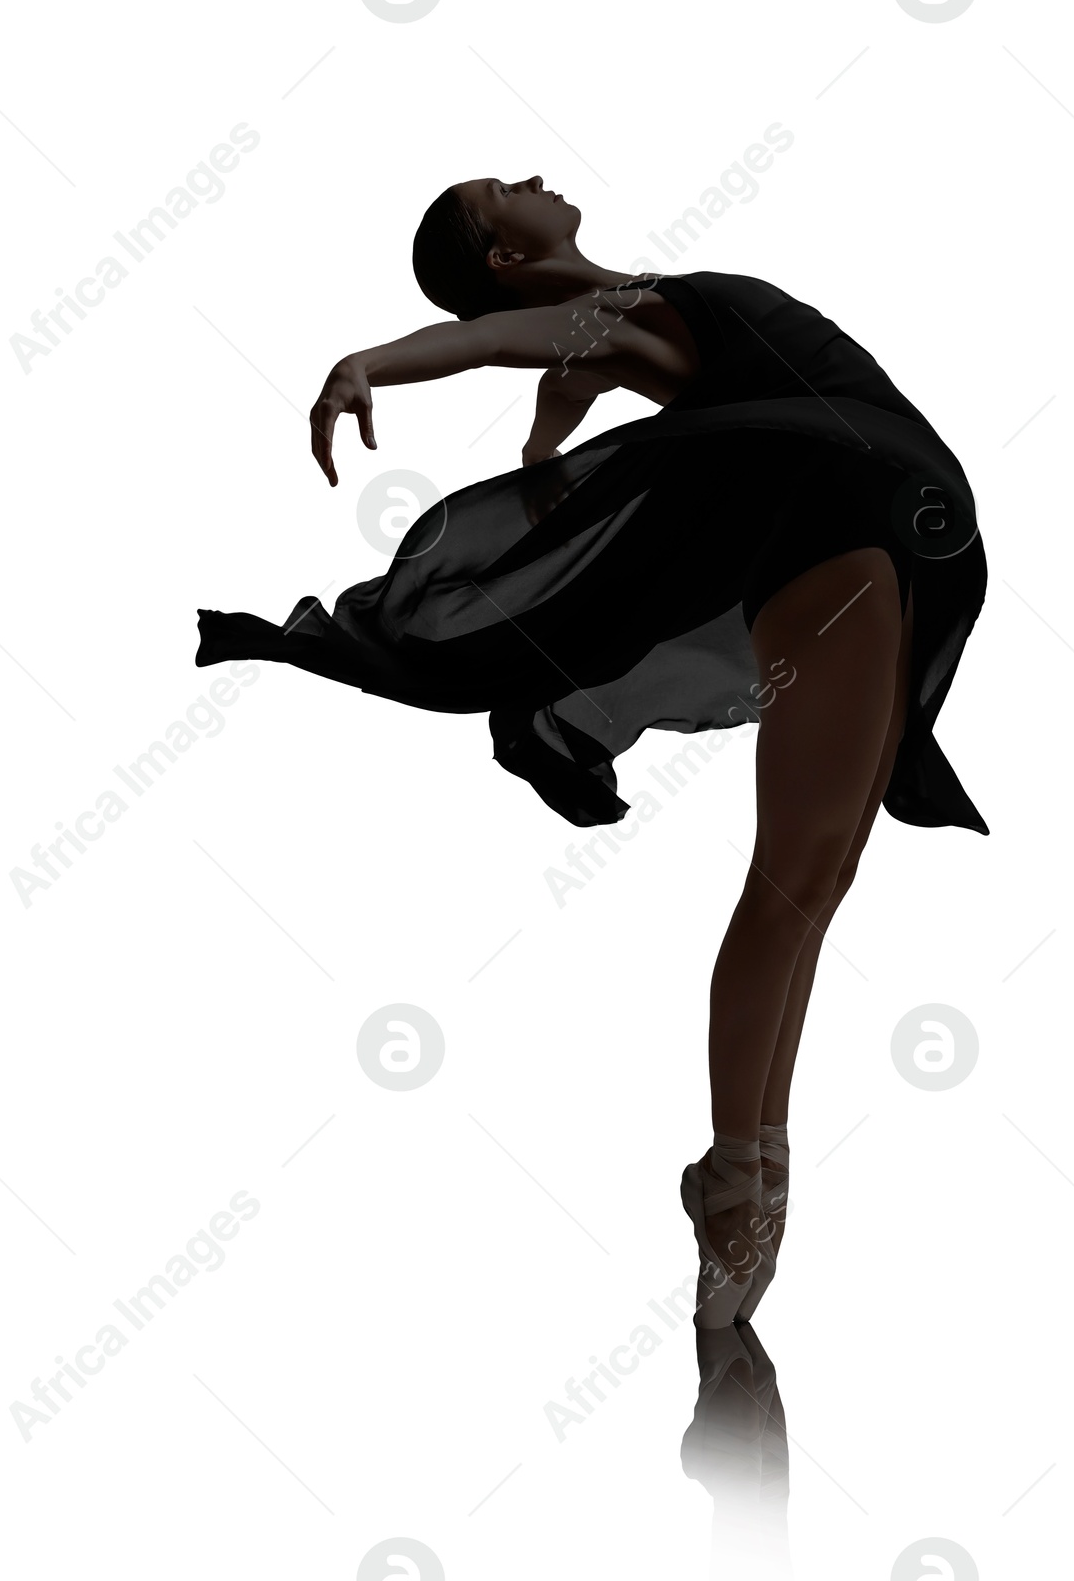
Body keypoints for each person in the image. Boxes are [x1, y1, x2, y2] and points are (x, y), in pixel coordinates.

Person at [196, 174, 988, 1326]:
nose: (526, 178)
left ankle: (749, 1169)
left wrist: (550, 445)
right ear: (504, 256)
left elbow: (543, 381)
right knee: (792, 877)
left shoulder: (618, 322)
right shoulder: (597, 318)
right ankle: (737, 1177)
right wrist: (370, 361)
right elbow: (486, 339)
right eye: (498, 196)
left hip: (880, 523)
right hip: (830, 543)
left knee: (816, 879)